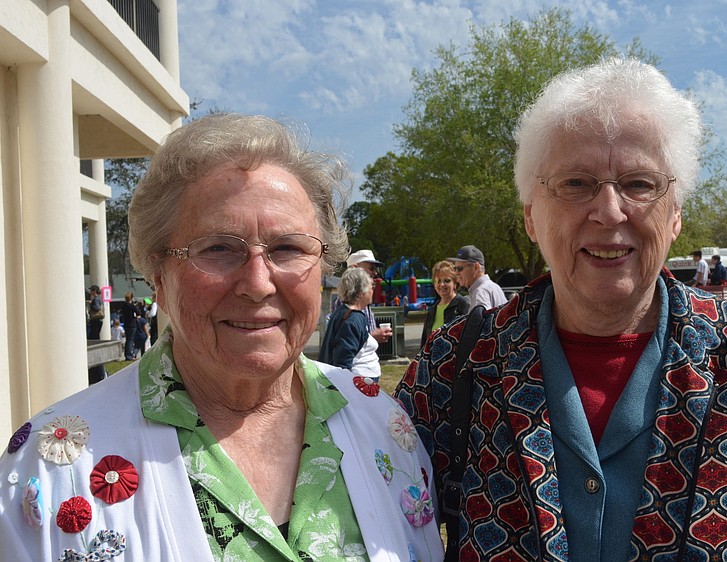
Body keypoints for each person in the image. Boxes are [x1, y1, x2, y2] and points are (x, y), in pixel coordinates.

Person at [395, 59, 727, 561]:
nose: (610, 211)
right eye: (575, 184)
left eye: (639, 184)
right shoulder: (454, 366)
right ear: (530, 216)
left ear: (675, 213)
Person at [0, 113, 443, 561]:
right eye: (217, 248)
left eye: (288, 248)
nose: (258, 283)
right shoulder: (55, 467)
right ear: (158, 276)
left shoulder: (385, 426)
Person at [319, 267, 382, 379]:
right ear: (361, 291)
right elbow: (343, 361)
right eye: (370, 287)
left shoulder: (342, 311)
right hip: (360, 382)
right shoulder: (353, 319)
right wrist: (347, 388)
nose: (372, 290)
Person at [340, 249, 393, 344]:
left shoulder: (361, 299)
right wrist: (372, 337)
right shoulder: (346, 301)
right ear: (354, 268)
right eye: (371, 268)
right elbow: (345, 341)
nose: (375, 273)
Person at [419, 260, 470, 349]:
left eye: (446, 280)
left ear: (455, 283)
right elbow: (424, 344)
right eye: (438, 281)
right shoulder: (432, 310)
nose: (442, 284)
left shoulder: (463, 304)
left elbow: (469, 337)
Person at [447, 245, 507, 309]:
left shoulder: (481, 291)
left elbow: (483, 318)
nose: (456, 272)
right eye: (455, 268)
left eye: (459, 268)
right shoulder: (494, 287)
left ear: (476, 267)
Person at [118, 291, 137, 360]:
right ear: (131, 298)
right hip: (132, 324)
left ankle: (126, 354)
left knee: (128, 339)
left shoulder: (124, 306)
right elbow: (137, 312)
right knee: (131, 340)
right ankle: (129, 355)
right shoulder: (131, 306)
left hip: (126, 324)